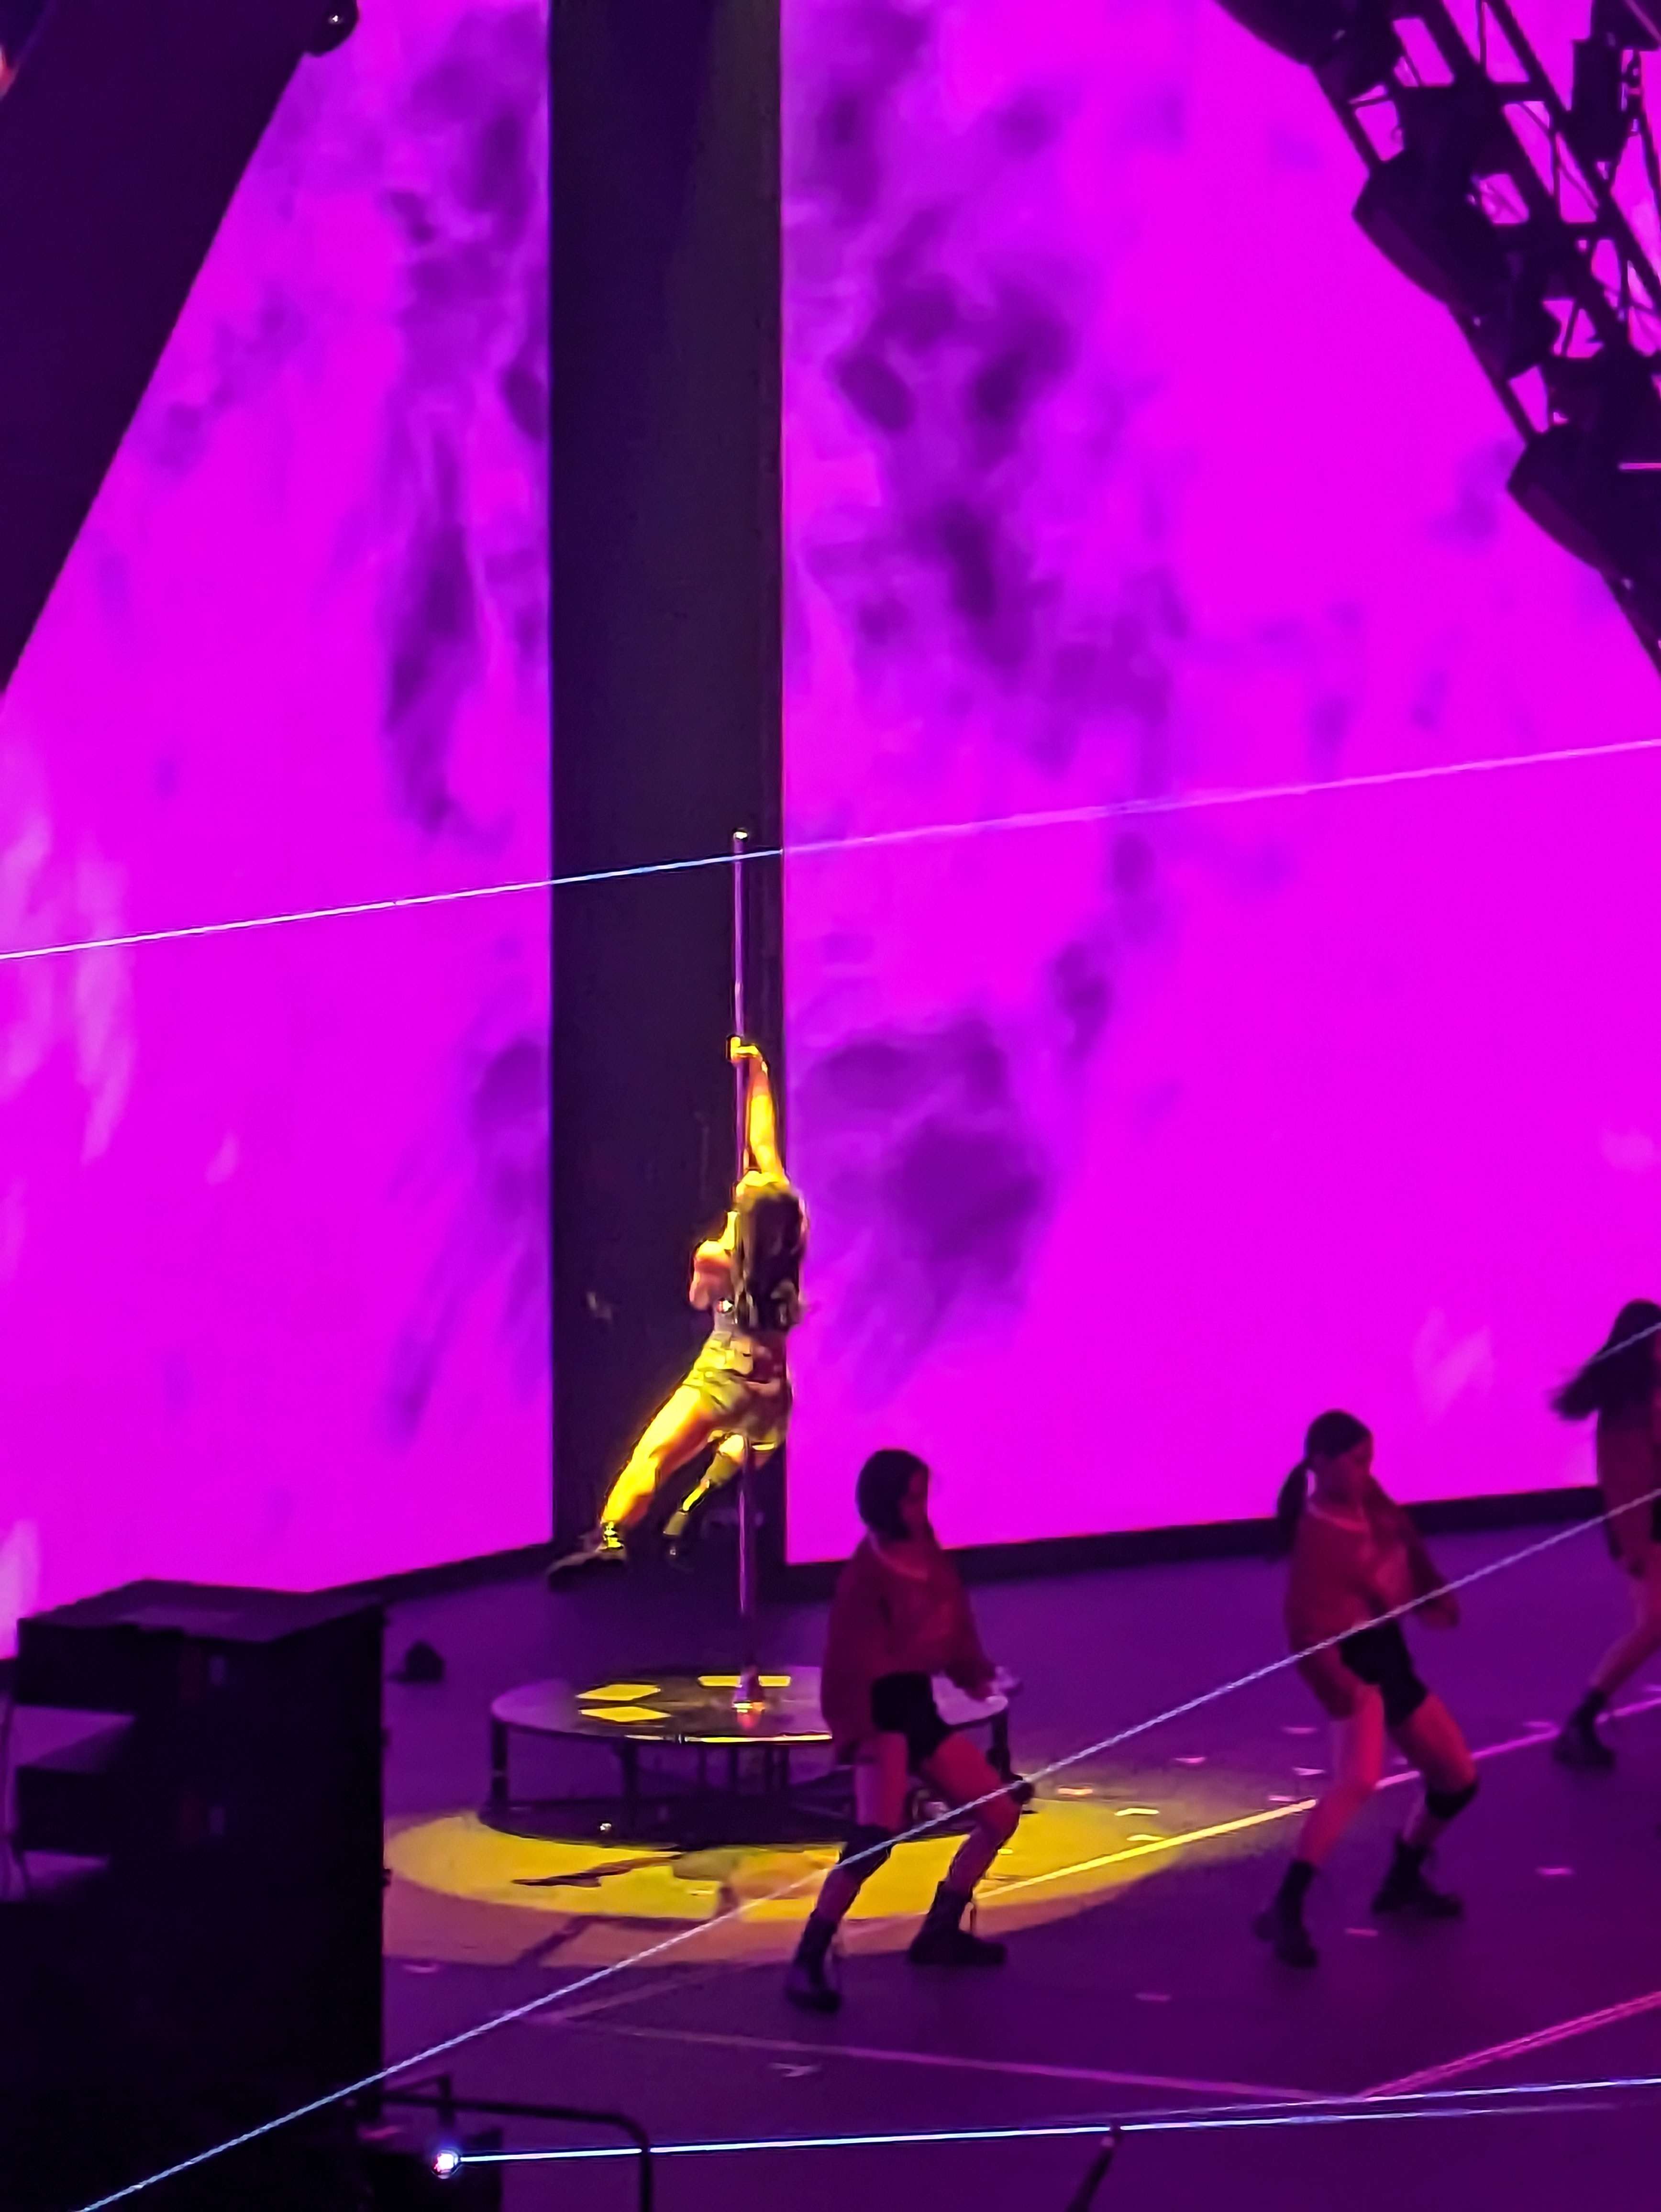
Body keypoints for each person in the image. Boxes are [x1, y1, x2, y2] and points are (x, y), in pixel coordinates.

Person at [551, 1039, 805, 1575]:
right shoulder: (791, 1235)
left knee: (655, 1455)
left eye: (743, 1191)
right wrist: (758, 1073)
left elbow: (696, 1300)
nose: (747, 1176)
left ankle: (612, 1535)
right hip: (772, 1383)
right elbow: (763, 1142)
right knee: (755, 1440)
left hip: (724, 1373)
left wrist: (708, 1271)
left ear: (745, 1218)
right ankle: (698, 1502)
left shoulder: (715, 1257)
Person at [785, 1449, 1023, 2014]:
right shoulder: (865, 1576)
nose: (921, 1509)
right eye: (911, 1499)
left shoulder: (925, 1548)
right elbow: (848, 1667)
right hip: (877, 1710)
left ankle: (939, 1930)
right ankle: (808, 1956)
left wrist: (975, 1673)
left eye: (923, 1497)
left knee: (999, 1813)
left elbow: (953, 1619)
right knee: (876, 1838)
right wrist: (862, 1737)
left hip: (914, 1703)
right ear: (887, 1504)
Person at [1254, 1411, 1479, 1970]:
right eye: (1355, 1462)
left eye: (1368, 1461)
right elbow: (1305, 1631)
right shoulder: (1317, 1537)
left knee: (1456, 1779)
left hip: (1387, 1650)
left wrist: (1428, 1592)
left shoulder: (1366, 1500)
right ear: (1321, 1463)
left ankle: (1402, 1878)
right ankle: (1286, 1906)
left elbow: (1399, 1544)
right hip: (1355, 1662)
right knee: (1357, 1779)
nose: (1364, 1472)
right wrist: (1346, 1688)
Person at [1551, 1299, 1661, 1768]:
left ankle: (1583, 1719)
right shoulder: (1631, 1407)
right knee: (1653, 1626)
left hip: (1648, 1525)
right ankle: (1582, 1718)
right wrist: (1635, 1547)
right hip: (1646, 1529)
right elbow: (1625, 1481)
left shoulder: (1646, 1397)